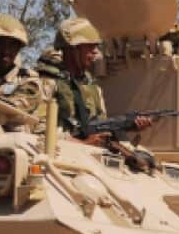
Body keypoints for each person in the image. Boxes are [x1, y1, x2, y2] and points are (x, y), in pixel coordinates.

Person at [37, 17, 151, 145]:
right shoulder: (46, 83)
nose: (95, 51)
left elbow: (100, 126)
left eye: (96, 46)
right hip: (59, 153)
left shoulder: (93, 88)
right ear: (72, 49)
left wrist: (129, 125)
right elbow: (36, 129)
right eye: (90, 46)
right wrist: (82, 143)